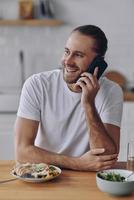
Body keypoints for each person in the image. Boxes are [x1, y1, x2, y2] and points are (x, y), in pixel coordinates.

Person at [15, 25, 123, 171]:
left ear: (98, 62)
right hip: (43, 174)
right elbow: (22, 152)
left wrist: (88, 104)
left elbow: (107, 158)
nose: (68, 61)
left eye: (78, 55)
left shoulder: (111, 91)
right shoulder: (37, 85)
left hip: (87, 180)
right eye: (67, 52)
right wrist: (78, 163)